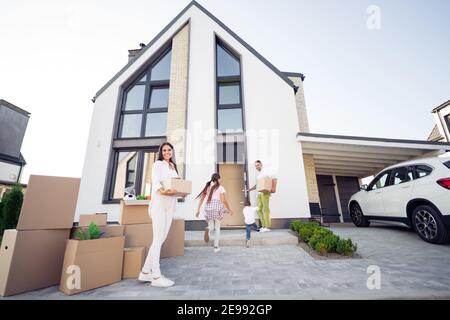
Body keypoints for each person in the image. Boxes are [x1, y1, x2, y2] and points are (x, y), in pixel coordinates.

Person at [138, 142, 179, 288]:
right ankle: (156, 276)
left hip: (170, 205)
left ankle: (144, 272)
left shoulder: (173, 167)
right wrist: (162, 191)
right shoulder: (158, 164)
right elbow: (155, 181)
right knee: (157, 239)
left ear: (172, 152)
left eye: (169, 150)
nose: (167, 152)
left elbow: (176, 185)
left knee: (161, 239)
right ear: (161, 152)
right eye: (164, 150)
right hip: (159, 204)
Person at [196, 173, 233, 253]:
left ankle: (208, 229)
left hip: (208, 207)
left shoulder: (208, 187)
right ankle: (216, 247)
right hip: (217, 207)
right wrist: (229, 209)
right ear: (218, 179)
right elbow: (224, 201)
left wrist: (198, 210)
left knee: (211, 226)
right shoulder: (221, 187)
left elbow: (202, 199)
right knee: (217, 228)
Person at [249, 160, 277, 232]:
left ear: (261, 165)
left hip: (265, 193)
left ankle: (267, 227)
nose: (257, 167)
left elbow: (274, 178)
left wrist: (274, 188)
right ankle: (263, 226)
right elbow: (258, 185)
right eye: (256, 165)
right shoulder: (258, 175)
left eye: (258, 165)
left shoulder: (266, 172)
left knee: (266, 209)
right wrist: (250, 189)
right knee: (258, 210)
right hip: (259, 194)